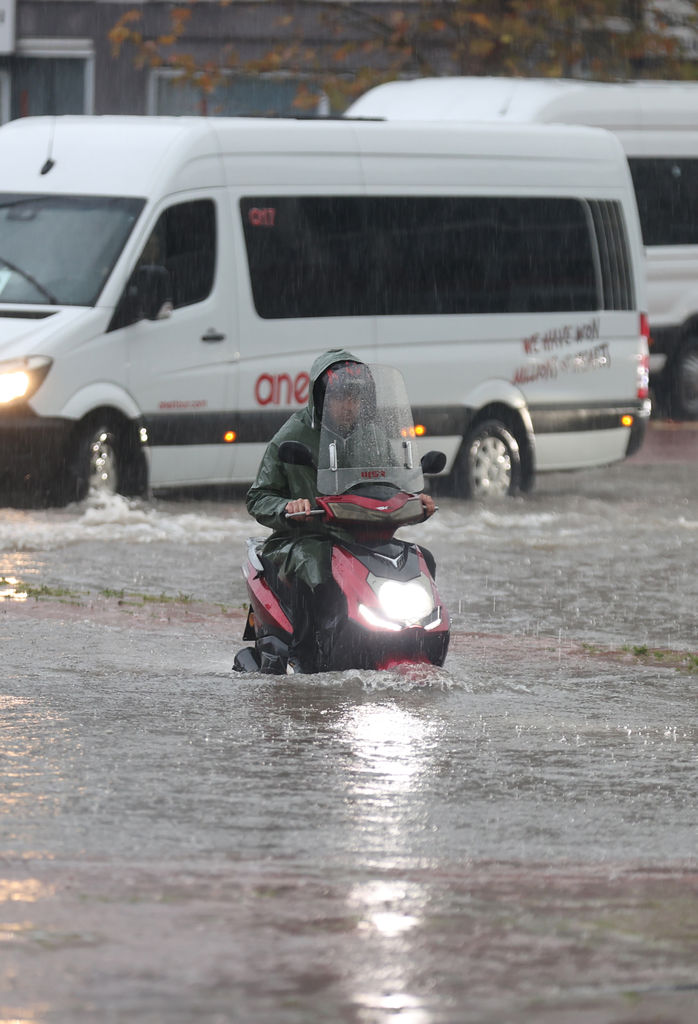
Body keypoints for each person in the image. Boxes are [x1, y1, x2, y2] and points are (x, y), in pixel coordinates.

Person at [246, 349, 435, 672]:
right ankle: (306, 653)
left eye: (356, 399)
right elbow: (258, 497)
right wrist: (289, 507)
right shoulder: (292, 436)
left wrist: (415, 499)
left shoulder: (373, 435)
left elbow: (392, 483)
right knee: (316, 566)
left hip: (363, 534)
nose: (350, 407)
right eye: (341, 399)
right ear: (321, 399)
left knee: (424, 559)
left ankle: (424, 643)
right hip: (307, 536)